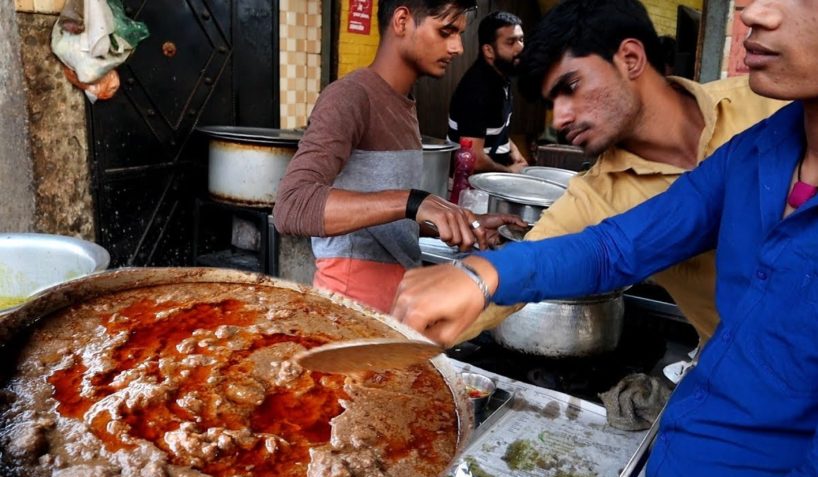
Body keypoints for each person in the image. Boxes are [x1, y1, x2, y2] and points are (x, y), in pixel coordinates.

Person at [392, 0, 818, 477]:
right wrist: (475, 278)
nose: (751, 13)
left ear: (631, 59)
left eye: (572, 87)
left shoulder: (759, 103)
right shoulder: (756, 150)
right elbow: (613, 248)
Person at [457, 0, 786, 347]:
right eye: (553, 103)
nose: (560, 119)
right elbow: (519, 273)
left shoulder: (768, 107)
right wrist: (413, 327)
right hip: (751, 380)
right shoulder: (595, 198)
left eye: (570, 87)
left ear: (630, 58)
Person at [273, 0, 524, 313]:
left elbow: (389, 221)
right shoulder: (350, 97)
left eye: (459, 33)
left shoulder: (404, 104)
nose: (458, 47)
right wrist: (413, 201)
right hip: (352, 310)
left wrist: (464, 222)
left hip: (397, 305)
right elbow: (292, 206)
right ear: (402, 21)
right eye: (446, 31)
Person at [447, 11, 528, 173]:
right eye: (510, 42)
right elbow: (473, 160)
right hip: (472, 187)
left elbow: (494, 128)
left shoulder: (501, 75)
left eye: (521, 39)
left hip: (492, 177)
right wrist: (511, 172)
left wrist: (512, 148)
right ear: (489, 51)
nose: (521, 48)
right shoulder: (476, 89)